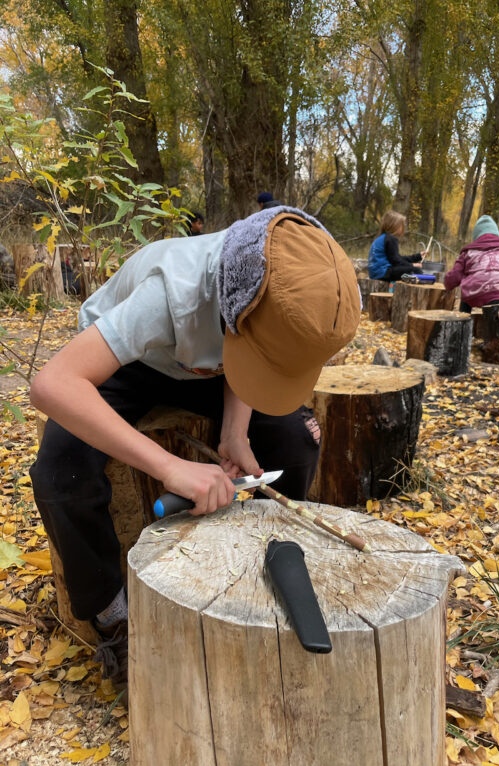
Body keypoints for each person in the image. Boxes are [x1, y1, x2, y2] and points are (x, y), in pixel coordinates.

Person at [29, 208, 361, 696]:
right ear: (233, 310)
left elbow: (248, 355)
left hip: (215, 367)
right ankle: (112, 617)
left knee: (295, 437)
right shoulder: (169, 295)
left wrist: (235, 432)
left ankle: (278, 560)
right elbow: (52, 385)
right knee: (61, 473)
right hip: (132, 362)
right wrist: (170, 467)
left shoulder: (287, 270)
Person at [444, 215, 499, 312]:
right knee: (498, 321)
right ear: (496, 234)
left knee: (465, 301)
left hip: (473, 294)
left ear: (476, 237)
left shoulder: (468, 252)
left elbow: (454, 276)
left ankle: (464, 322)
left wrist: (447, 285)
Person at [368, 210, 427, 281]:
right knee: (416, 270)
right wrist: (412, 265)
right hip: (384, 273)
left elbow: (397, 258)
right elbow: (396, 261)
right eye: (401, 225)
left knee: (410, 269)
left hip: (376, 273)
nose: (403, 228)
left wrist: (418, 256)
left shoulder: (383, 238)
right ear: (394, 226)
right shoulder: (391, 239)